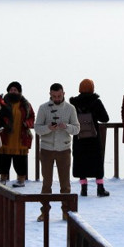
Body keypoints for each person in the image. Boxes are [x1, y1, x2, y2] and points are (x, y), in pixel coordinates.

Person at [34, 83, 80, 220]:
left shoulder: (70, 108)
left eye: (59, 96)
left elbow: (77, 129)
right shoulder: (43, 108)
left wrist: (66, 127)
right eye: (54, 96)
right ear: (50, 95)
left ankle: (66, 211)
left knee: (65, 184)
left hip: (64, 149)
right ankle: (45, 212)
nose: (57, 98)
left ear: (63, 93)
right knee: (46, 183)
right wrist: (48, 128)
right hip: (46, 149)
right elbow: (37, 128)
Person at [70, 79, 111, 197]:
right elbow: (105, 118)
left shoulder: (74, 103)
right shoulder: (96, 102)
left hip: (79, 136)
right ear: (92, 88)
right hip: (93, 137)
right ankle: (100, 188)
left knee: (81, 161)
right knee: (97, 162)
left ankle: (84, 189)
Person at [0, 81, 35, 187]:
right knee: (4, 159)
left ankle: (21, 180)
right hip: (6, 136)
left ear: (19, 92)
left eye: (15, 90)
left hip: (21, 137)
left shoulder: (25, 104)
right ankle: (3, 179)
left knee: (20, 161)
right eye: (11, 90)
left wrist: (27, 123)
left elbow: (32, 117)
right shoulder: (2, 103)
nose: (13, 91)